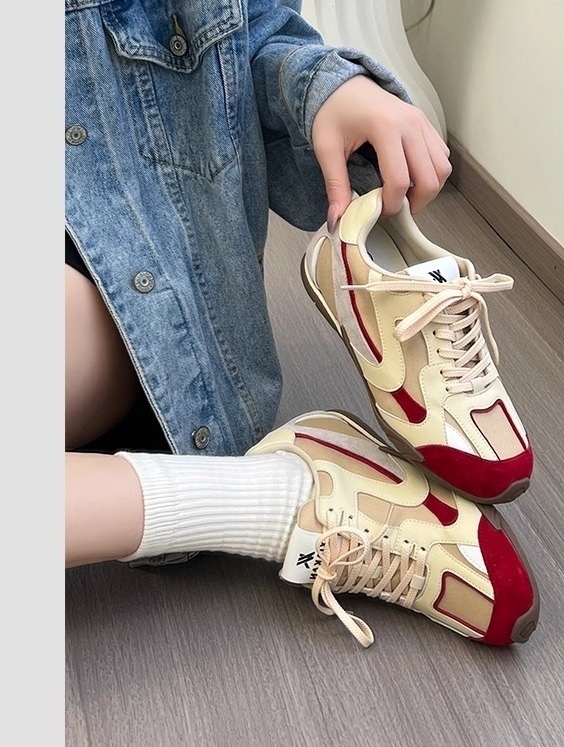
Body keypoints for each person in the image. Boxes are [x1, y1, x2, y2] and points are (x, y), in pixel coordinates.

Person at [66, 0, 539, 648]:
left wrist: (324, 88)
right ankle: (286, 498)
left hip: (104, 277)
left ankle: (377, 273)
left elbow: (247, 29)